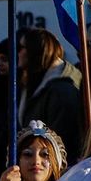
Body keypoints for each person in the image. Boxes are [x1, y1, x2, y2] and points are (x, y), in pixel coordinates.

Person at [18, 28, 86, 161]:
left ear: (35, 52)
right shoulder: (34, 84)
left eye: (22, 47)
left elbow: (61, 142)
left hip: (53, 172)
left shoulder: (62, 91)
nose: (18, 53)